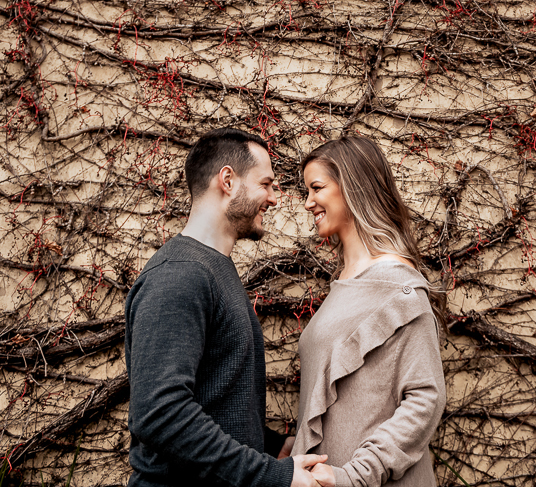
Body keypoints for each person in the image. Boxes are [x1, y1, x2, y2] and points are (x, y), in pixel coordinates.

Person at [125, 127, 335, 487]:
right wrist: (272, 476)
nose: (273, 198)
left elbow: (214, 399)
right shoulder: (180, 274)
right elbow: (161, 413)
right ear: (227, 180)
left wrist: (274, 446)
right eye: (266, 184)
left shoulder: (211, 268)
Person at [293, 136, 447, 487]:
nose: (307, 203)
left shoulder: (397, 284)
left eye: (316, 188)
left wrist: (355, 475)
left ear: (352, 187)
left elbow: (425, 398)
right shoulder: (345, 282)